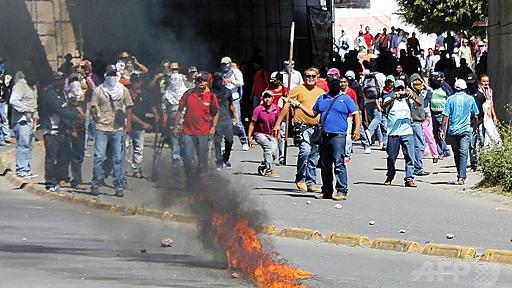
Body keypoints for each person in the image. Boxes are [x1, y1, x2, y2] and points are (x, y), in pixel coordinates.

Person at [289, 75, 361, 200]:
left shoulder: (345, 99)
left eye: (336, 84)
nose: (334, 86)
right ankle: (327, 191)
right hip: (324, 135)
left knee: (339, 164)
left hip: (338, 136)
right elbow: (313, 114)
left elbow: (356, 114)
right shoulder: (322, 98)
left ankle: (342, 191)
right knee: (325, 165)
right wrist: (299, 106)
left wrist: (357, 129)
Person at [273, 68, 324, 193]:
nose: (310, 78)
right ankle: (300, 178)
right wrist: (278, 124)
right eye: (307, 76)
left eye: (313, 76)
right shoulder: (298, 90)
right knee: (305, 151)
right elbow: (287, 106)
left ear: (317, 77)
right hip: (301, 126)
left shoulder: (321, 92)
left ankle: (311, 182)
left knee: (313, 155)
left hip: (316, 128)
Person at [90, 65, 133, 197]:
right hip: (102, 127)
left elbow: (129, 105)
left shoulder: (123, 90)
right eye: (110, 75)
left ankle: (118, 186)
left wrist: (129, 123)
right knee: (99, 157)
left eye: (114, 75)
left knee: (118, 158)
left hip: (117, 128)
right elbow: (93, 106)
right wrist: (95, 117)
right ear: (105, 76)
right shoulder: (99, 91)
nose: (112, 77)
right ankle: (95, 183)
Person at [173, 71, 219, 187]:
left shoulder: (212, 96)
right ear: (195, 82)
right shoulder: (188, 94)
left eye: (203, 81)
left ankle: (202, 182)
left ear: (207, 82)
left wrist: (213, 127)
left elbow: (216, 112)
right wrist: (175, 127)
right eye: (199, 81)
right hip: (188, 131)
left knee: (202, 159)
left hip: (203, 132)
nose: (201, 83)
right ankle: (190, 181)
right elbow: (179, 110)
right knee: (188, 158)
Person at [40, 72, 79, 191]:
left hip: (61, 129)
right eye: (58, 80)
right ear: (54, 81)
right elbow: (60, 110)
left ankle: (60, 177)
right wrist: (76, 116)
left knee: (64, 155)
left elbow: (65, 108)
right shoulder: (50, 94)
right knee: (51, 157)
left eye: (62, 80)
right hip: (51, 130)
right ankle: (50, 181)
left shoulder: (62, 93)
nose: (61, 82)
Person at [440, 79, 479, 185]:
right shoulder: (470, 99)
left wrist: (442, 129)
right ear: (465, 87)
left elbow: (445, 116)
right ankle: (461, 176)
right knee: (463, 153)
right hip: (465, 130)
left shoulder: (450, 99)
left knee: (457, 153)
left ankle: (460, 175)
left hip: (453, 131)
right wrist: (475, 127)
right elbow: (475, 115)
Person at [382, 80, 417, 188]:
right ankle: (390, 175)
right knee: (392, 157)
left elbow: (419, 103)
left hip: (407, 132)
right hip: (393, 132)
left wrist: (412, 96)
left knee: (410, 156)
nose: (401, 91)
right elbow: (384, 105)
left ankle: (409, 178)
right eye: (398, 89)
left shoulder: (408, 100)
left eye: (402, 89)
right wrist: (394, 97)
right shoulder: (390, 98)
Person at [127, 74, 158, 178]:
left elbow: (151, 104)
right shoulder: (126, 93)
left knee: (138, 149)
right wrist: (143, 124)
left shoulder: (144, 94)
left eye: (137, 81)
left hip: (139, 128)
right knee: (125, 148)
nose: (136, 84)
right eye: (134, 81)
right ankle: (124, 169)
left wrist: (156, 114)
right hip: (127, 125)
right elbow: (129, 114)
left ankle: (136, 169)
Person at [10, 71, 38, 178]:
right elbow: (13, 100)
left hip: (30, 121)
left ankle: (26, 169)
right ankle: (21, 170)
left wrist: (34, 114)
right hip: (22, 121)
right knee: (23, 145)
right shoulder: (20, 86)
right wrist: (26, 110)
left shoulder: (32, 87)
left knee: (29, 145)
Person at [248, 91, 281, 177]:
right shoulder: (258, 109)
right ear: (262, 99)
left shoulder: (276, 109)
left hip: (271, 134)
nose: (267, 99)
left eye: (269, 97)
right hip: (259, 134)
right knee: (268, 148)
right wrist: (249, 137)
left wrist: (279, 134)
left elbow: (278, 123)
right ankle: (268, 170)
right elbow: (252, 124)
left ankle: (264, 165)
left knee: (274, 153)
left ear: (272, 99)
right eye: (265, 97)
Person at [220, 56, 248, 150]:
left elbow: (241, 83)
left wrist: (231, 81)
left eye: (226, 64)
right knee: (224, 121)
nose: (224, 66)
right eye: (223, 64)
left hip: (234, 98)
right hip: (224, 98)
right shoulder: (221, 73)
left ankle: (244, 141)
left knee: (237, 121)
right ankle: (227, 142)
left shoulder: (235, 72)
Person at [211, 72, 237, 170]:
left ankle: (226, 158)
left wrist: (235, 117)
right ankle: (219, 160)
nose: (218, 81)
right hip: (216, 120)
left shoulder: (228, 92)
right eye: (216, 79)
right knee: (217, 141)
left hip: (227, 119)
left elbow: (231, 104)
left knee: (229, 140)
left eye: (220, 79)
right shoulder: (211, 93)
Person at [408, 74, 429, 176]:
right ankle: (418, 168)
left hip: (420, 122)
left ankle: (417, 166)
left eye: (419, 81)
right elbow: (419, 103)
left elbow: (427, 89)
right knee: (419, 146)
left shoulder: (419, 91)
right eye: (415, 81)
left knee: (418, 145)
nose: (418, 83)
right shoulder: (410, 92)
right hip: (414, 122)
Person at [0, 61, 12, 146]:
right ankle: (2, 139)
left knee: (4, 118)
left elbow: (7, 85)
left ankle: (6, 137)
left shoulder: (5, 77)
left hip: (3, 100)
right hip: (2, 100)